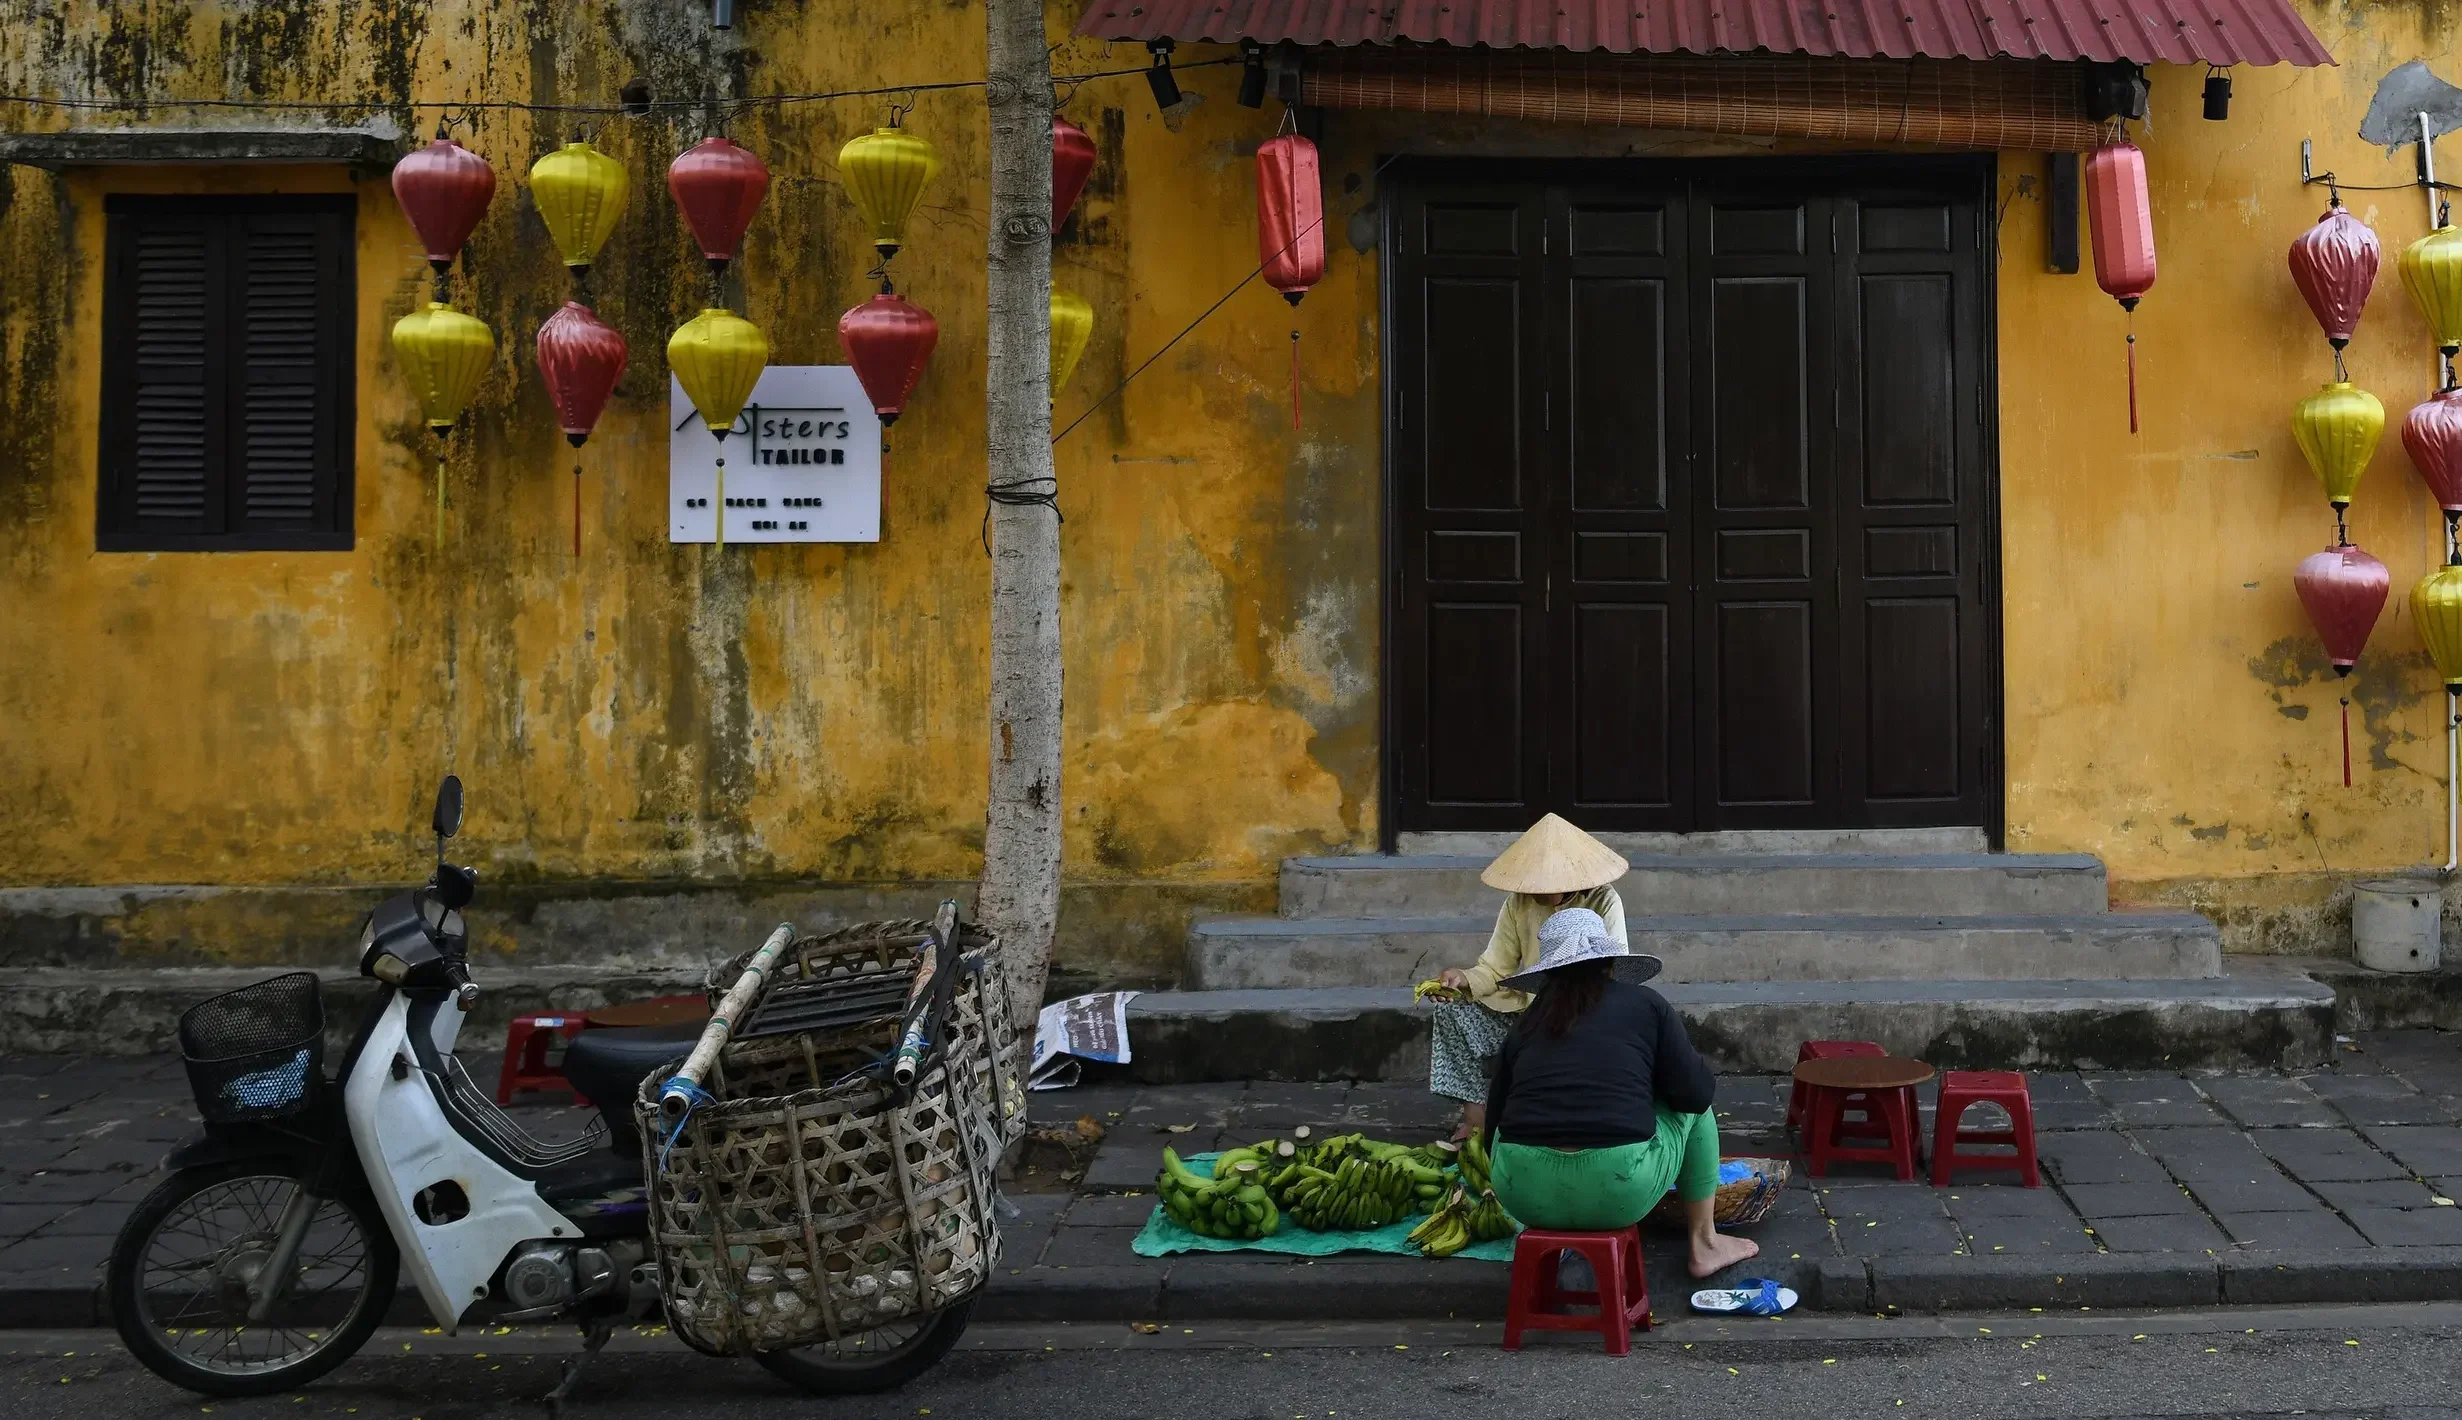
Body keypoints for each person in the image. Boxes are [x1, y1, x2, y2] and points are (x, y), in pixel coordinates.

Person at [1481, 906, 1759, 1280]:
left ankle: (1555, 1224)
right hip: (1619, 1190)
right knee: (1697, 1111)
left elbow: (1494, 1122)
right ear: (1610, 964)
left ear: (1548, 973)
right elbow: (1695, 1094)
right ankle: (1705, 1242)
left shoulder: (1527, 1023)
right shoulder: (1646, 1004)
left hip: (1523, 1192)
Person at [1429, 814, 1628, 1141]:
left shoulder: (1604, 900)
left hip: (1584, 1010)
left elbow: (1612, 968)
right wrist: (1461, 978)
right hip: (1529, 1010)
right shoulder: (1518, 903)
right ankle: (1476, 1119)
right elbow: (1495, 969)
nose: (1534, 890)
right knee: (1451, 1010)